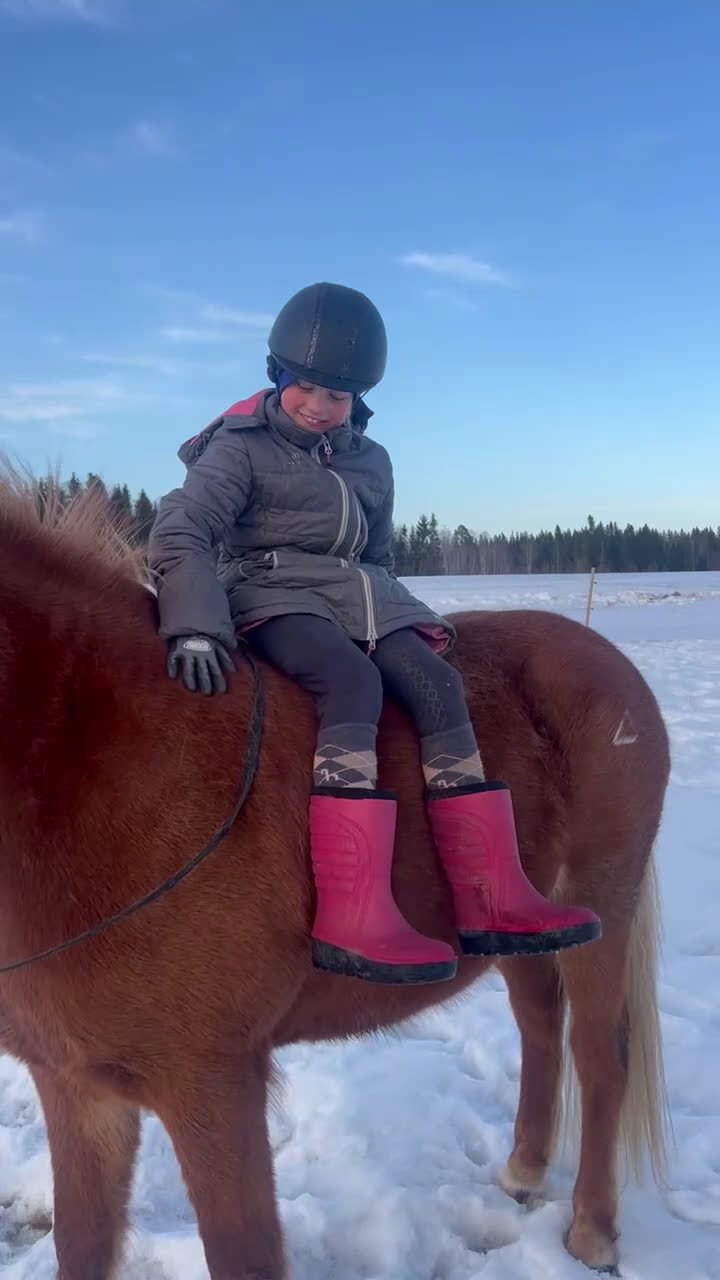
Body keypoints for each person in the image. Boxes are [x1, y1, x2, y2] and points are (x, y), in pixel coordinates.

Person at [148, 282, 600, 985]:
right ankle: (353, 910)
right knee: (351, 682)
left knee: (440, 685)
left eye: (337, 395)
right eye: (305, 386)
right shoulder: (238, 449)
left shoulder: (371, 460)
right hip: (272, 596)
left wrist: (394, 611)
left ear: (357, 399)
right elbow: (184, 530)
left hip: (360, 602)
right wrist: (196, 624)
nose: (318, 405)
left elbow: (376, 556)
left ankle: (491, 894)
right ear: (276, 375)